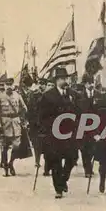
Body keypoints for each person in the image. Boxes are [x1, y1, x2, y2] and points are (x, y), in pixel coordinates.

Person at [37, 68, 78, 198]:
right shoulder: (48, 95)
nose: (66, 81)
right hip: (54, 134)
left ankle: (64, 179)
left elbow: (78, 111)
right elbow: (41, 116)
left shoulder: (72, 94)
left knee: (72, 158)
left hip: (69, 133)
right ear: (57, 80)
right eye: (63, 79)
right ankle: (58, 189)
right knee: (56, 161)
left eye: (67, 78)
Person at [0, 77, 28, 177]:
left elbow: (24, 108)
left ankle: (11, 163)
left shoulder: (17, 95)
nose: (9, 87)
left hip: (16, 124)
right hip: (4, 125)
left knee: (16, 145)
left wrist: (22, 117)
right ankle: (5, 168)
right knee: (4, 147)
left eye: (10, 85)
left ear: (13, 85)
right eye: (7, 85)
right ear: (4, 86)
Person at [77, 74, 97, 178]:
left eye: (93, 82)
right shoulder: (80, 96)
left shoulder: (98, 95)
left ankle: (89, 166)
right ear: (85, 84)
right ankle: (87, 169)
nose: (91, 85)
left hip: (94, 126)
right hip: (82, 126)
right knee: (84, 149)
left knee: (93, 148)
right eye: (89, 83)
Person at [26, 78, 47, 174]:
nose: (41, 86)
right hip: (35, 123)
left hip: (45, 123)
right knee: (36, 143)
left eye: (43, 84)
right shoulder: (33, 94)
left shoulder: (48, 94)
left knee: (46, 143)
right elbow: (29, 108)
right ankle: (37, 161)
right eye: (40, 84)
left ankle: (46, 164)